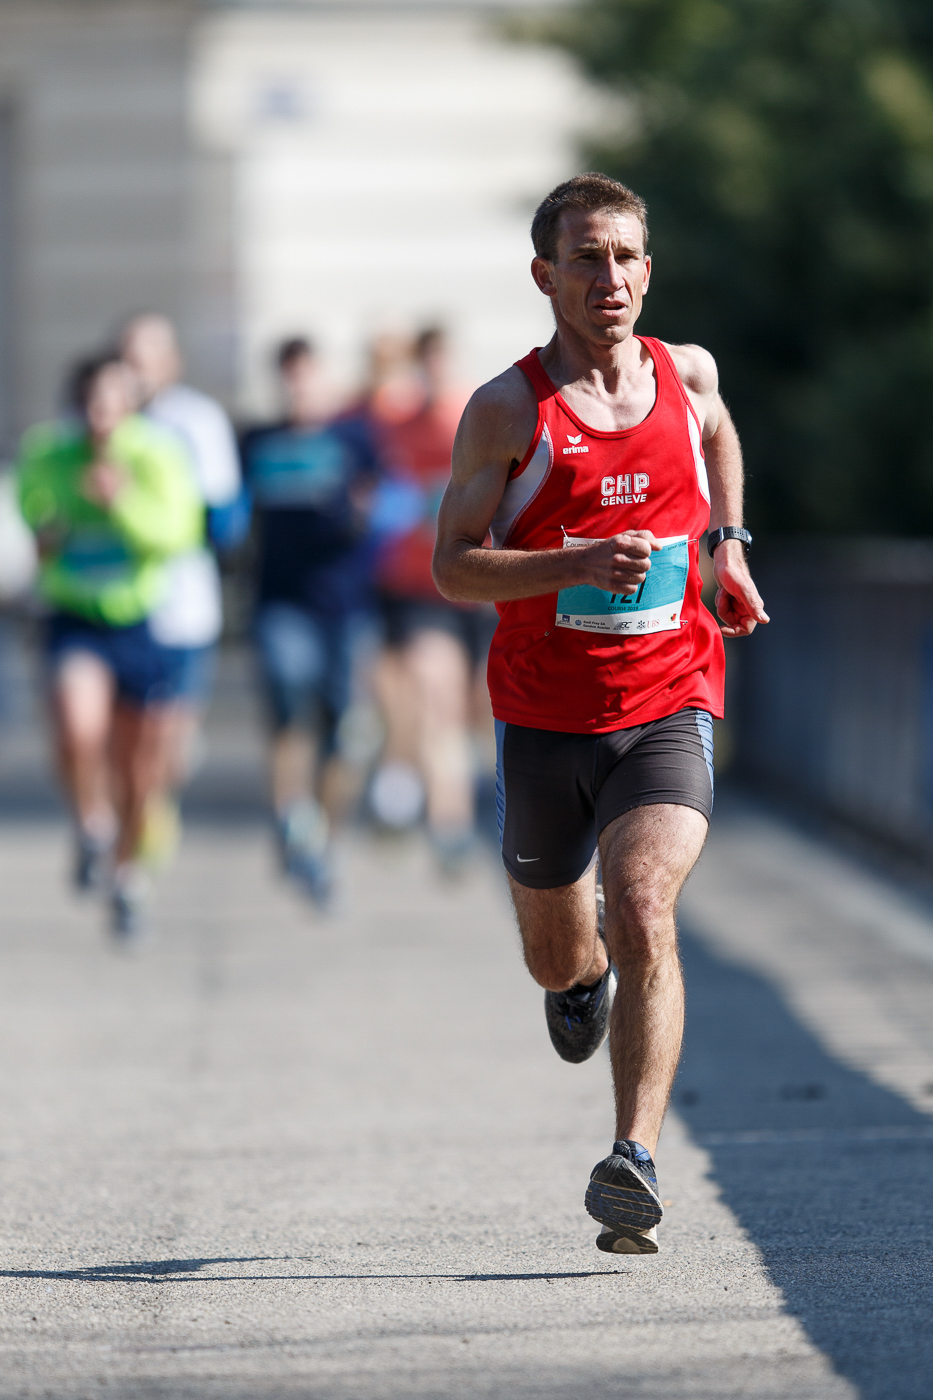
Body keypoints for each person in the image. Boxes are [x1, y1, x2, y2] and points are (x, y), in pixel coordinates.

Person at [433, 173, 768, 1255]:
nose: (608, 277)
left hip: (671, 694)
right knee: (557, 951)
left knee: (643, 903)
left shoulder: (686, 372)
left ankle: (633, 1157)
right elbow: (452, 566)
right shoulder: (508, 410)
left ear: (648, 271)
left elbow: (717, 432)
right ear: (545, 276)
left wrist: (728, 545)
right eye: (585, 258)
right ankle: (578, 980)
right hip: (543, 712)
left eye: (625, 257)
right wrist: (571, 564)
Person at [16, 353, 202, 938]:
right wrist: (47, 530)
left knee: (139, 769)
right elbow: (31, 515)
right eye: (92, 402)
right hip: (74, 615)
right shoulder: (49, 453)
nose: (101, 415)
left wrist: (120, 502)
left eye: (113, 402)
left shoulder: (156, 454)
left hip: (140, 619)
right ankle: (91, 824)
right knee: (78, 725)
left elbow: (179, 535)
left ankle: (127, 877)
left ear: (131, 405)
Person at [240, 336, 379, 906]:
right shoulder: (257, 441)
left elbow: (386, 506)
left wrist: (362, 512)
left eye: (308, 376)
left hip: (345, 606)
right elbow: (234, 513)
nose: (299, 388)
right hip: (280, 600)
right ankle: (289, 816)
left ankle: (324, 841)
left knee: (344, 728)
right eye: (289, 377)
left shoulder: (355, 439)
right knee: (286, 696)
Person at [369, 327, 495, 872]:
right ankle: (450, 821)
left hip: (482, 586)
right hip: (420, 585)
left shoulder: (482, 417)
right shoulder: (395, 420)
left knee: (473, 711)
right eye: (427, 363)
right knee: (433, 691)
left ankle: (412, 781)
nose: (435, 374)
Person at [120, 314, 243, 861]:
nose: (137, 371)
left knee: (167, 733)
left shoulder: (196, 421)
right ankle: (129, 824)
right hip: (113, 602)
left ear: (172, 363)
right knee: (122, 731)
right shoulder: (100, 419)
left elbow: (221, 516)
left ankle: (154, 804)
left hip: (180, 602)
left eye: (147, 358)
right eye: (128, 358)